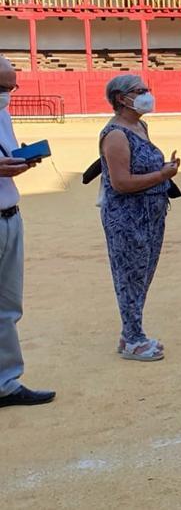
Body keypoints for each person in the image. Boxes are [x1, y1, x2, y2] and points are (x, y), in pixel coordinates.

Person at [99, 74, 179, 362]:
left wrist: (162, 170)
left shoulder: (139, 126)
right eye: (140, 91)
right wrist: (162, 175)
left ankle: (129, 331)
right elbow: (121, 183)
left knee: (143, 273)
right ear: (122, 98)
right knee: (129, 275)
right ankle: (133, 339)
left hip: (152, 212)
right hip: (127, 216)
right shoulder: (116, 134)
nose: (147, 94)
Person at [0, 55, 54, 409]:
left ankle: (5, 382)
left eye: (10, 87)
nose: (6, 94)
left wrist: (20, 160)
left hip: (9, 214)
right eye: (1, 87)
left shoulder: (3, 115)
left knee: (7, 306)